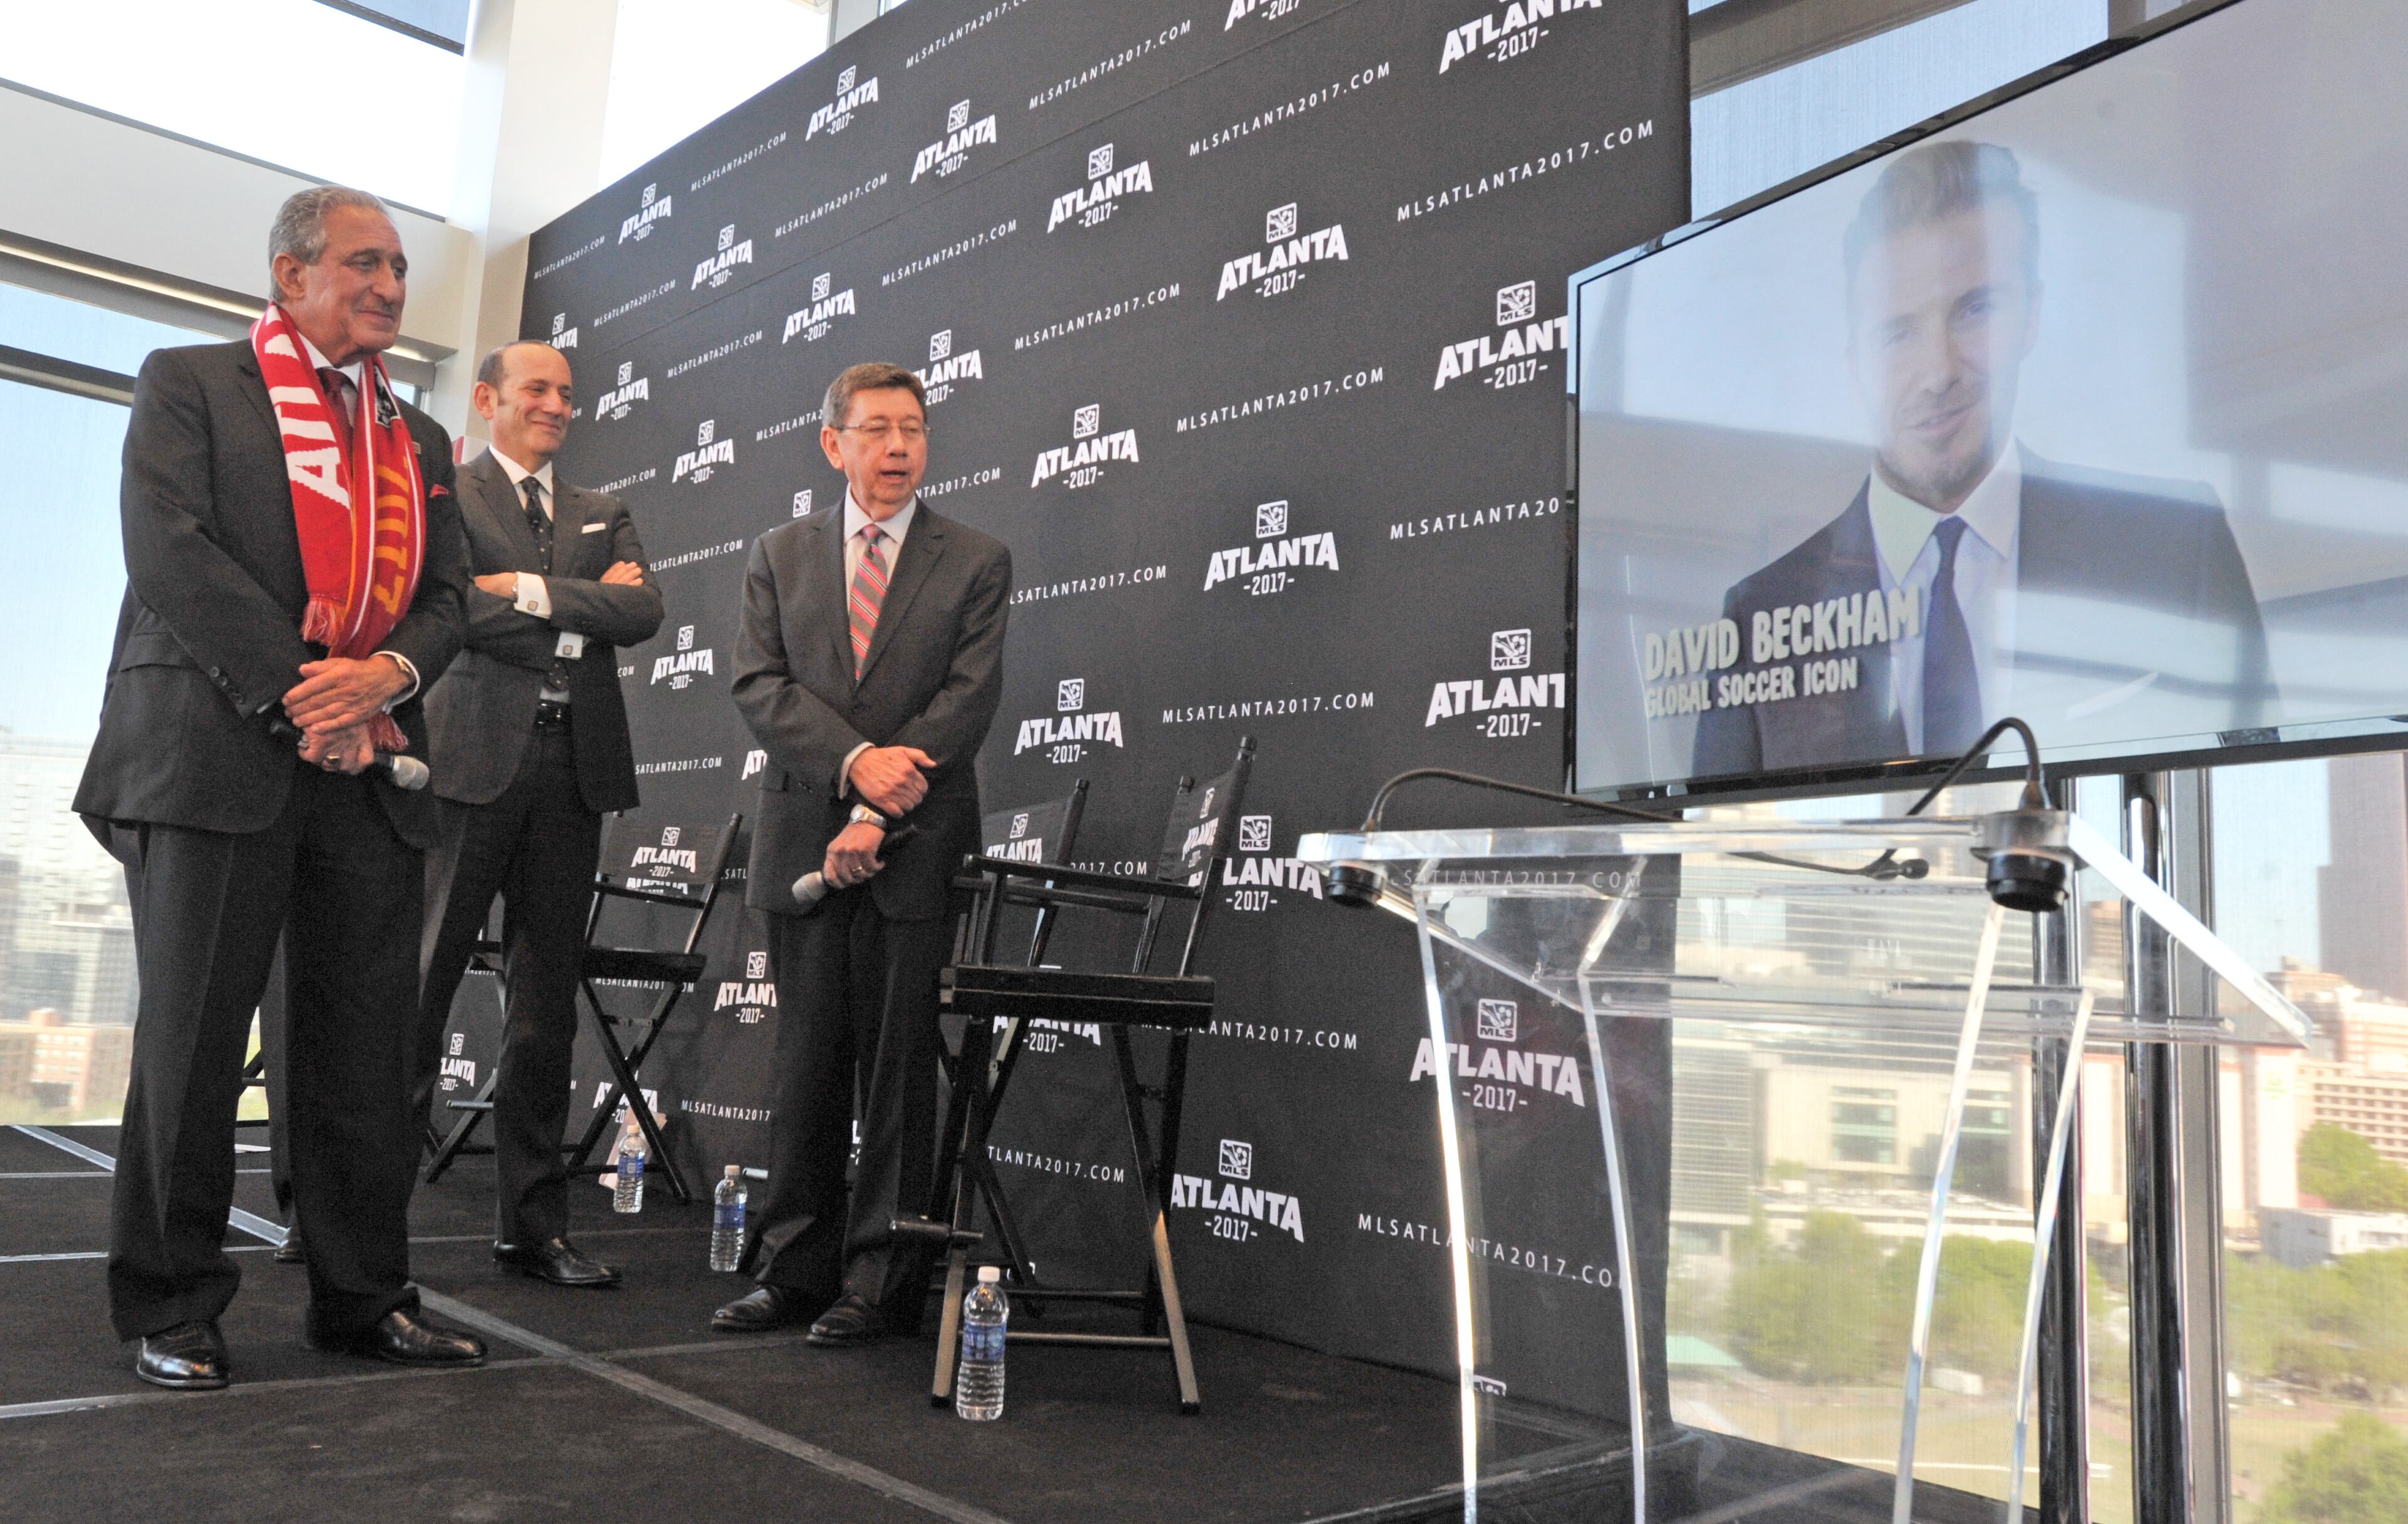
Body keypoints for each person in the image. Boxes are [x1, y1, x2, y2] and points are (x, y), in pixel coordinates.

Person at [73, 185, 484, 1389]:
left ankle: (364, 1296)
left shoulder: (421, 438)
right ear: (289, 274)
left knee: (363, 1051)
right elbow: (170, 551)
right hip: (215, 756)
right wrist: (307, 693)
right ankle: (172, 1304)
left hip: (368, 769)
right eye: (365, 263)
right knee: (194, 1044)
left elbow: (454, 596)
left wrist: (388, 677)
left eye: (402, 269)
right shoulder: (189, 381)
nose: (391, 289)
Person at [1691, 140, 2272, 781]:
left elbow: (2260, 791)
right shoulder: (1759, 617)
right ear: (1855, 361)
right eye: (1897, 331)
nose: (1938, 372)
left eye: (1975, 310)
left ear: (2031, 315)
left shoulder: (2177, 550)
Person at [716, 362, 1011, 1345]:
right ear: (832, 442)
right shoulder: (777, 552)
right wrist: (854, 765)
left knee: (895, 1071)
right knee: (803, 1067)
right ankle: (794, 1267)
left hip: (918, 842)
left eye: (914, 429)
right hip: (803, 831)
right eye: (877, 428)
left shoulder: (973, 556)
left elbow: (964, 702)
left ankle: (880, 1280)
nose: (898, 448)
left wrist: (880, 807)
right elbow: (761, 685)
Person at [413, 341, 663, 1288]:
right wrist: (581, 608)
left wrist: (522, 590)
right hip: (469, 764)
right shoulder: (453, 489)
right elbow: (451, 611)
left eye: (568, 391)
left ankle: (533, 1227)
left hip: (574, 775)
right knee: (421, 990)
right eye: (538, 390)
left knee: (543, 1012)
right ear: (487, 400)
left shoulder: (604, 510)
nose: (559, 405)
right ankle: (360, 1222)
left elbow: (643, 617)